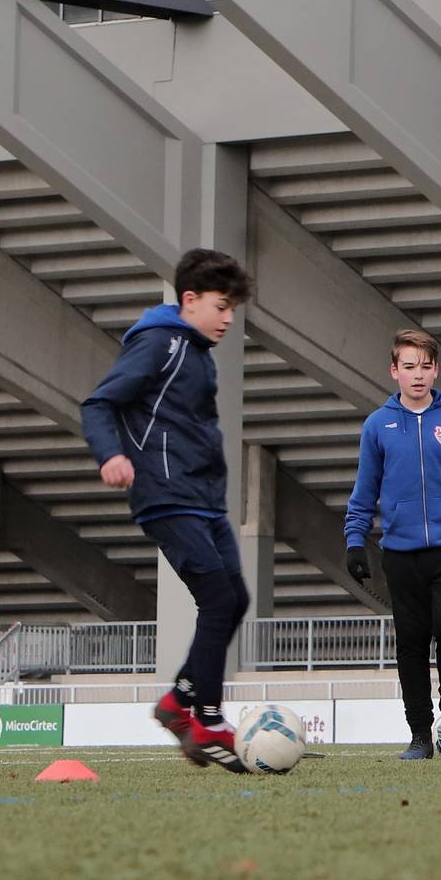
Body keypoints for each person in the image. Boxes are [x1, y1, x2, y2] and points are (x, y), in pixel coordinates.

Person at [80, 248, 256, 772]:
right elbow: (98, 403)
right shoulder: (161, 343)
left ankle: (178, 700)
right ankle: (206, 718)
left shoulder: (196, 350)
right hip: (167, 495)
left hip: (203, 500)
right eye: (221, 306)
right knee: (218, 599)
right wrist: (110, 454)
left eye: (232, 309)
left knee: (236, 598)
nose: (228, 318)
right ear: (190, 299)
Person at [343, 328, 441, 759]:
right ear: (395, 372)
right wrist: (355, 541)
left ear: (436, 369)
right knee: (410, 640)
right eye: (409, 367)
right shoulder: (377, 425)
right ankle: (421, 735)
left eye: (426, 366)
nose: (418, 375)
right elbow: (364, 490)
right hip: (401, 553)